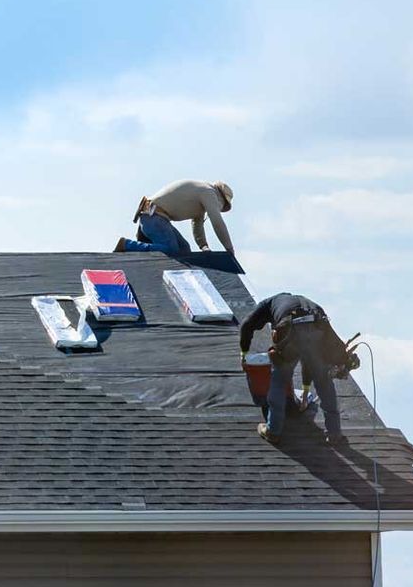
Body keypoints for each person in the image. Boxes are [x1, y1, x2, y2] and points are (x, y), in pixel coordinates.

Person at [239, 292, 356, 444]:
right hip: (318, 328)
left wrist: (244, 354)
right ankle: (334, 434)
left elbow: (247, 324)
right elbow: (309, 360)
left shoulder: (268, 305)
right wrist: (306, 392)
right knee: (324, 381)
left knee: (279, 378)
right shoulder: (308, 304)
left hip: (291, 330)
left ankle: (273, 430)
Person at [116, 179, 235, 255]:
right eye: (222, 206)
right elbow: (217, 222)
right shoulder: (209, 192)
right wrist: (229, 249)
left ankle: (142, 250)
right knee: (172, 250)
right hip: (153, 217)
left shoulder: (202, 193)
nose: (219, 209)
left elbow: (197, 224)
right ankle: (127, 245)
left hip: (154, 218)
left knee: (184, 251)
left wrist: (204, 246)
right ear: (221, 198)